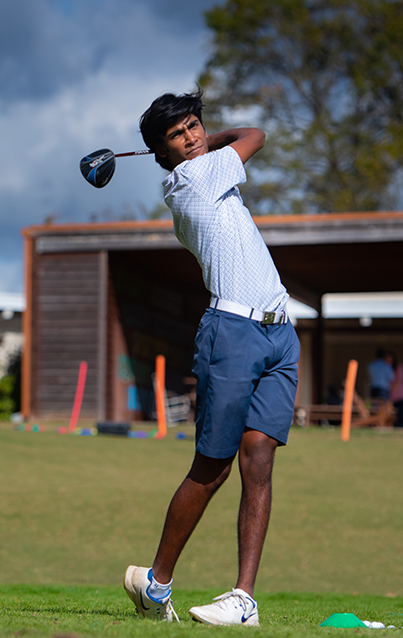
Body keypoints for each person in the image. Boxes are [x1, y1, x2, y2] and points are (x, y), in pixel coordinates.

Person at [122, 91, 299, 627]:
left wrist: (199, 142)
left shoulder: (207, 169)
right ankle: (156, 583)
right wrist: (214, 142)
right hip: (232, 332)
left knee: (260, 461)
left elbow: (242, 142)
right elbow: (255, 137)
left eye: (196, 126)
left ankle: (243, 598)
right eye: (178, 135)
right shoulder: (193, 181)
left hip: (279, 331)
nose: (193, 137)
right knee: (214, 466)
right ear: (164, 154)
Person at [386, 352, 403, 427]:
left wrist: (391, 388)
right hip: (390, 398)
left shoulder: (399, 367)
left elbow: (400, 380)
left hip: (401, 397)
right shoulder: (386, 369)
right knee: (392, 418)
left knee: (402, 416)